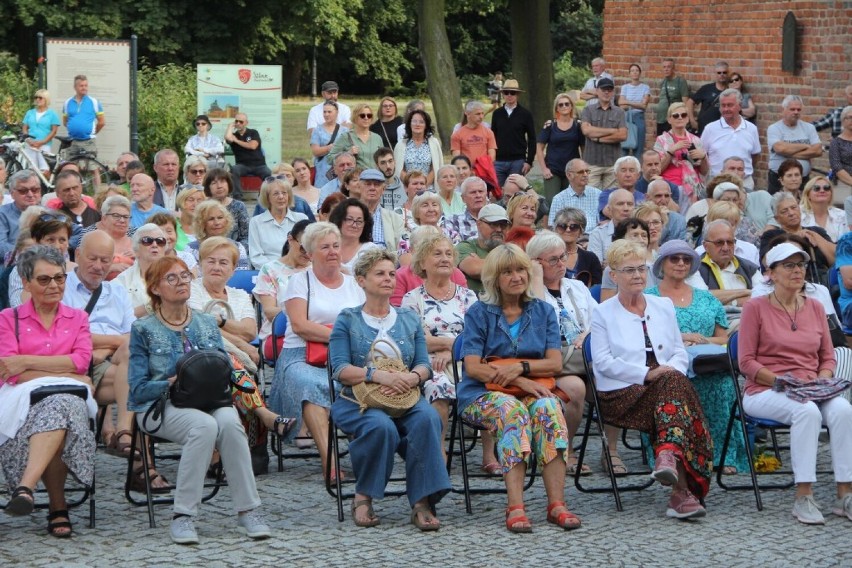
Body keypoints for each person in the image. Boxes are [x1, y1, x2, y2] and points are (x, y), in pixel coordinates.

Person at [128, 256, 271, 543]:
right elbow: (137, 390)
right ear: (155, 288)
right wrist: (170, 383)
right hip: (160, 405)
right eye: (172, 278)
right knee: (204, 427)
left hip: (209, 400)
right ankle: (183, 516)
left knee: (230, 423)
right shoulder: (143, 329)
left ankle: (249, 510)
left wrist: (242, 387)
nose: (181, 282)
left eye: (184, 276)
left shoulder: (206, 323)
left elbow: (225, 368)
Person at [458, 243, 582, 532]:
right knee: (511, 411)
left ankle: (556, 505)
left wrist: (522, 368)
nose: (517, 277)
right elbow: (474, 367)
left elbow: (553, 364)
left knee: (550, 408)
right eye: (508, 272)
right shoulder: (479, 313)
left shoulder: (543, 311)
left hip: (534, 388)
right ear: (494, 279)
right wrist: (518, 379)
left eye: (521, 270)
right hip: (481, 393)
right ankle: (515, 506)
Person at [330, 248, 451, 530]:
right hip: (358, 399)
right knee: (381, 426)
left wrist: (412, 379)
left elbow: (423, 364)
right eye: (380, 274)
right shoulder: (348, 319)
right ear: (361, 280)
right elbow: (340, 370)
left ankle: (422, 501)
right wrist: (378, 376)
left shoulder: (408, 317)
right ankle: (364, 495)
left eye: (392, 274)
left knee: (428, 418)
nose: (388, 279)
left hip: (405, 395)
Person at [591, 239, 713, 518]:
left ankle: (670, 463)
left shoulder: (663, 306)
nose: (637, 275)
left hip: (666, 390)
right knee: (675, 391)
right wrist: (648, 373)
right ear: (614, 276)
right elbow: (603, 363)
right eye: (629, 270)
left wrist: (667, 371)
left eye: (641, 269)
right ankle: (680, 490)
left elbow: (679, 352)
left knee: (673, 383)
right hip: (622, 394)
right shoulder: (602, 313)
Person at [739, 242, 852, 524]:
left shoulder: (815, 307)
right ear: (771, 274)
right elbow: (747, 362)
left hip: (811, 387)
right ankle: (804, 495)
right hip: (766, 389)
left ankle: (844, 494)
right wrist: (781, 381)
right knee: (807, 411)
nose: (797, 271)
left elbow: (827, 357)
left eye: (800, 265)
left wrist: (824, 380)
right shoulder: (755, 308)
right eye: (788, 265)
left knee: (843, 410)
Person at [0, 246, 95, 538]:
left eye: (59, 278)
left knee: (60, 405)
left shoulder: (77, 318)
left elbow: (82, 361)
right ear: (26, 283)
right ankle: (57, 507)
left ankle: (25, 488)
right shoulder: (7, 318)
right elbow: (8, 369)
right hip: (22, 401)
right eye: (44, 279)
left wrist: (27, 360)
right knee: (60, 411)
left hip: (71, 398)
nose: (54, 285)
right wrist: (67, 372)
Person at [269, 222, 364, 478]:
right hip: (301, 356)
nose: (333, 251)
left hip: (346, 357)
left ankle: (365, 456)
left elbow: (365, 323)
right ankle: (329, 461)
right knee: (310, 386)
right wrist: (343, 336)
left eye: (336, 245)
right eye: (325, 247)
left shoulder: (354, 283)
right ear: (310, 253)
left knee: (363, 385)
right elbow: (301, 326)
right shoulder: (298, 282)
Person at [646, 240, 749, 474]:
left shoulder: (706, 298)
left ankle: (724, 455)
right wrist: (679, 338)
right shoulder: (648, 298)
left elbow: (722, 339)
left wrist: (700, 339)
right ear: (662, 263)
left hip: (706, 364)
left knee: (724, 385)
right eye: (674, 259)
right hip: (668, 365)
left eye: (686, 259)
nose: (681, 263)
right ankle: (678, 454)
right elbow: (642, 337)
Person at [399, 231, 477, 452]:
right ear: (422, 262)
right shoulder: (412, 299)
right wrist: (450, 346)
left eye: (449, 254)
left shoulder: (468, 297)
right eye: (437, 254)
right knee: (438, 386)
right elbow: (416, 341)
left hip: (467, 360)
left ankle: (489, 456)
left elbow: (478, 338)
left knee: (487, 382)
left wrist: (448, 348)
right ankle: (438, 452)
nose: (445, 258)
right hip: (430, 363)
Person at [527, 232, 595, 474]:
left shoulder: (576, 287)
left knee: (618, 378)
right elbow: (535, 325)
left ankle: (614, 452)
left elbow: (600, 321)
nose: (561, 263)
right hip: (551, 363)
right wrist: (535, 279)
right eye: (553, 260)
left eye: (563, 257)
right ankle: (565, 448)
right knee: (575, 389)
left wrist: (587, 334)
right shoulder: (528, 293)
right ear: (535, 263)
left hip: (586, 357)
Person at [254, 219, 312, 357]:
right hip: (280, 334)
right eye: (303, 247)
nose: (307, 254)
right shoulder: (270, 270)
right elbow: (269, 312)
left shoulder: (318, 269)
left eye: (312, 249)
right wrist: (302, 311)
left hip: (314, 333)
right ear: (290, 239)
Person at [761, 192, 835, 282]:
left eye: (794, 208)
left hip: (823, 281)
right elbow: (766, 261)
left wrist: (816, 237)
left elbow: (836, 259)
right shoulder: (771, 235)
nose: (791, 213)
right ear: (777, 219)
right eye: (784, 211)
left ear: (799, 209)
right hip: (788, 282)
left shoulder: (817, 231)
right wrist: (795, 238)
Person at [701, 89, 762, 189]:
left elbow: (755, 155)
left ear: (740, 106)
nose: (726, 109)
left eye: (730, 105)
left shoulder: (751, 129)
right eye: (723, 105)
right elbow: (702, 155)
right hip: (717, 182)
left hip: (744, 183)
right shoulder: (710, 129)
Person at [653, 102, 708, 209]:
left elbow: (704, 171)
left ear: (687, 119)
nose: (680, 118)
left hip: (692, 187)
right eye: (675, 115)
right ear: (669, 119)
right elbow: (657, 169)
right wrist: (671, 151)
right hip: (670, 186)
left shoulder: (696, 140)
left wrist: (703, 157)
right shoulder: (662, 139)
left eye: (683, 115)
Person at [249, 177, 308, 270]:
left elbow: (308, 250)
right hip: (269, 272)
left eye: (284, 193)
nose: (281, 197)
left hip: (298, 270)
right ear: (267, 198)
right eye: (276, 193)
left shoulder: (301, 218)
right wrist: (279, 269)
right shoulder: (256, 222)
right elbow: (256, 257)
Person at [767, 96, 821, 194]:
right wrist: (805, 146)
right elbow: (780, 149)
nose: (796, 112)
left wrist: (790, 153)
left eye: (798, 109)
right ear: (783, 110)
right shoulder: (774, 128)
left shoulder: (809, 127)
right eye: (792, 109)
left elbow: (817, 150)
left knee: (803, 206)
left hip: (803, 179)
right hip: (778, 179)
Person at [580, 77, 627, 190]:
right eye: (603, 89)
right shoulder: (588, 110)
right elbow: (586, 131)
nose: (606, 92)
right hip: (592, 162)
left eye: (609, 90)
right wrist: (613, 131)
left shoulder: (619, 112)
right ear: (597, 91)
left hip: (612, 163)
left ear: (613, 92)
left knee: (611, 198)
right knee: (591, 197)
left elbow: (623, 135)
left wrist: (598, 138)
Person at [697, 219, 758, 307]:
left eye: (730, 242)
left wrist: (729, 301)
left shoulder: (749, 267)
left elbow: (764, 296)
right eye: (719, 243)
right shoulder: (695, 268)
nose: (726, 248)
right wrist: (746, 292)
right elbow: (701, 298)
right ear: (705, 246)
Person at [536, 93, 583, 202]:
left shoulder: (578, 126)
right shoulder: (550, 125)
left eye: (567, 104)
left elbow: (583, 148)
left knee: (571, 203)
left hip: (572, 171)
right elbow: (539, 148)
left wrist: (582, 169)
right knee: (552, 202)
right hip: (553, 171)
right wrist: (544, 169)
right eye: (560, 105)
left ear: (571, 106)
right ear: (556, 108)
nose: (564, 106)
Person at [456, 203, 510, 296]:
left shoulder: (511, 249)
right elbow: (475, 269)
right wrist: (508, 265)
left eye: (503, 225)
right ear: (479, 224)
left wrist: (483, 263)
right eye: (493, 224)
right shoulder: (465, 247)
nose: (499, 229)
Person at [490, 79, 536, 185]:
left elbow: (532, 139)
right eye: (506, 92)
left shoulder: (526, 114)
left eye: (513, 93)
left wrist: (529, 161)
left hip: (518, 160)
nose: (509, 95)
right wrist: (491, 159)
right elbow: (492, 137)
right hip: (499, 161)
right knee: (498, 193)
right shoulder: (497, 114)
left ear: (517, 95)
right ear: (503, 94)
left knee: (515, 192)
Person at [114, 224, 166, 317]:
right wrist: (150, 306)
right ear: (135, 250)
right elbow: (117, 317)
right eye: (147, 241)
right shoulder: (121, 282)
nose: (155, 245)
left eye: (160, 241)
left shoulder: (177, 276)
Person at [357, 168, 406, 255]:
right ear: (359, 187)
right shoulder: (348, 214)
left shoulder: (394, 218)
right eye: (368, 184)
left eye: (376, 185)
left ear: (383, 190)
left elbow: (403, 248)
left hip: (387, 261)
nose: (372, 188)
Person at [225, 113, 271, 201]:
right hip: (243, 165)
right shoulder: (234, 135)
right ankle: (237, 197)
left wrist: (237, 141)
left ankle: (264, 197)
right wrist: (230, 127)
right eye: (236, 121)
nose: (238, 123)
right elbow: (227, 137)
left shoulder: (253, 132)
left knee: (268, 173)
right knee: (234, 170)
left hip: (259, 165)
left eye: (241, 122)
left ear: (246, 123)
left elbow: (252, 146)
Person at [551, 207, 602, 286]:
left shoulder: (590, 258)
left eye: (573, 227)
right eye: (562, 226)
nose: (568, 230)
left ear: (581, 231)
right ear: (556, 230)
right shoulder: (548, 256)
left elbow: (597, 287)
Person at [393, 109, 443, 189]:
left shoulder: (434, 143)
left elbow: (436, 168)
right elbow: (398, 168)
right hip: (407, 188)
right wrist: (412, 185)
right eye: (414, 121)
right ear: (409, 124)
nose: (417, 124)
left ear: (426, 125)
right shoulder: (401, 145)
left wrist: (423, 185)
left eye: (421, 122)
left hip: (428, 188)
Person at [548, 159, 601, 230]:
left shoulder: (598, 194)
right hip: (570, 237)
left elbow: (604, 222)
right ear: (569, 175)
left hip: (594, 238)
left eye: (587, 171)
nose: (585, 175)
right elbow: (553, 226)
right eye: (581, 172)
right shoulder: (559, 199)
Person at [0, 170, 42, 261]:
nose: (30, 195)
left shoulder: (48, 213)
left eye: (35, 190)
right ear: (12, 194)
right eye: (23, 191)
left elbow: (78, 234)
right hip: (12, 266)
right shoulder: (2, 214)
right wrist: (35, 251)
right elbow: (1, 248)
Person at [329, 104, 384, 171]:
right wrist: (347, 154)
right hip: (356, 179)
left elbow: (383, 159)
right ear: (355, 117)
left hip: (375, 178)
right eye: (362, 115)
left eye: (369, 116)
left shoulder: (377, 138)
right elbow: (329, 158)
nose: (366, 118)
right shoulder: (345, 137)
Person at [62, 74, 104, 158]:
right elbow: (65, 121)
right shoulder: (67, 102)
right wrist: (74, 129)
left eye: (86, 85)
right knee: (72, 165)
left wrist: (92, 132)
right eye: (81, 86)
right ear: (75, 87)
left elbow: (101, 122)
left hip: (88, 141)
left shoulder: (94, 102)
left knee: (92, 166)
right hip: (72, 140)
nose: (84, 88)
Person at [587, 188, 635, 263]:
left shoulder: (642, 231)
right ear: (609, 209)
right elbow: (596, 267)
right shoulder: (598, 234)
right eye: (620, 204)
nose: (626, 208)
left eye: (630, 204)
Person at [21, 88, 60, 176]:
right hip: (30, 144)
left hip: (44, 145)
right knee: (31, 170)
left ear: (46, 99)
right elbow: (24, 128)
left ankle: (46, 188)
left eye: (40, 97)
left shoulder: (52, 114)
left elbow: (54, 131)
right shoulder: (30, 112)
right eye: (36, 97)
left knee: (45, 170)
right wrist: (28, 139)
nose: (37, 99)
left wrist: (42, 142)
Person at [310, 100, 348, 186]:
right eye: (324, 112)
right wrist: (329, 148)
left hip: (341, 171)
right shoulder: (317, 130)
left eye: (329, 112)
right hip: (322, 174)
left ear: (337, 112)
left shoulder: (345, 131)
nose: (326, 114)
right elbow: (315, 151)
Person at [687, 61, 729, 135]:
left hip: (722, 129)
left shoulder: (730, 91)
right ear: (715, 74)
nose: (722, 75)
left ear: (727, 73)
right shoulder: (706, 89)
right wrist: (692, 120)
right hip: (704, 127)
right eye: (719, 73)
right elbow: (690, 102)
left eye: (724, 72)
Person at [800, 176, 847, 243]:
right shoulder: (798, 214)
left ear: (831, 194)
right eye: (816, 188)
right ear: (808, 194)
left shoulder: (842, 215)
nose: (822, 191)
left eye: (826, 188)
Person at [618, 63, 651, 155]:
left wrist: (628, 102)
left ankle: (638, 167)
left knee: (639, 146)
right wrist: (637, 104)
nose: (634, 72)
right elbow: (621, 104)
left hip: (638, 117)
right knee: (624, 145)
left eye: (636, 70)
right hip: (626, 117)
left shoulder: (645, 87)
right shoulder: (625, 87)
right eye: (632, 71)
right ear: (629, 74)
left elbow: (644, 106)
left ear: (640, 73)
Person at [445, 175, 488, 242]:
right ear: (463, 198)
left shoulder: (498, 217)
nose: (478, 195)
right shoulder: (453, 221)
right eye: (473, 192)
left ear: (486, 195)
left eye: (481, 191)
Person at [655, 58, 690, 136]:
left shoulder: (680, 81)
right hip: (661, 120)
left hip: (673, 119)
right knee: (661, 145)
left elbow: (686, 103)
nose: (666, 69)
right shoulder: (663, 82)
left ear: (673, 68)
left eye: (668, 67)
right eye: (664, 67)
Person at [646, 179, 686, 244]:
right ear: (647, 197)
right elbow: (648, 243)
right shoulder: (640, 217)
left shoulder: (680, 220)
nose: (663, 200)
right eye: (658, 196)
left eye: (667, 196)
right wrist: (664, 222)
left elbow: (682, 246)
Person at [829, 106, 852, 204]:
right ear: (843, 121)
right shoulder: (836, 142)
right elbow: (837, 167)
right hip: (844, 184)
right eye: (850, 117)